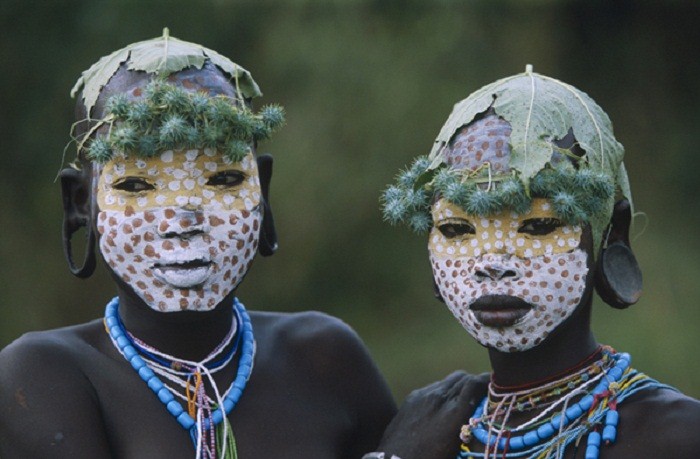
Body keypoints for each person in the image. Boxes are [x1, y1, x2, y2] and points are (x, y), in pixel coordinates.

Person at [0, 30, 395, 458]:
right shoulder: (42, 374)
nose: (181, 222)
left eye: (223, 179)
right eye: (136, 184)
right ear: (81, 203)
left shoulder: (326, 359)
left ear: (262, 191)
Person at [367, 66, 700, 459]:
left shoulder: (677, 436)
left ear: (612, 234)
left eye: (540, 225)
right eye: (457, 229)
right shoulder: (424, 431)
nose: (492, 263)